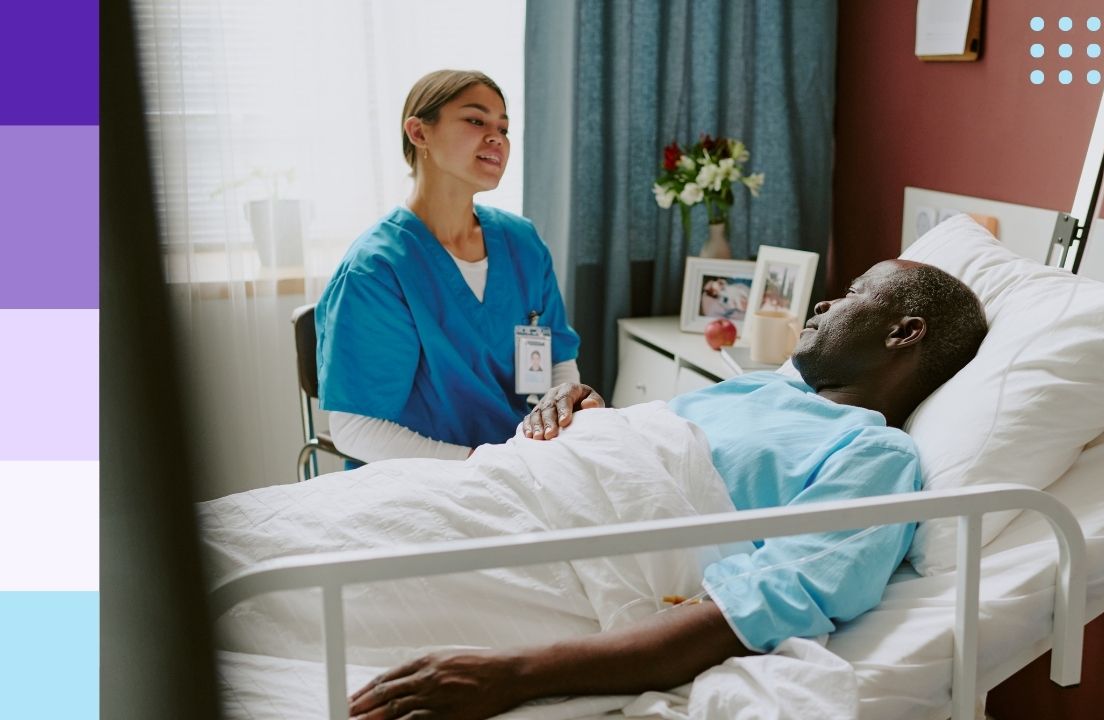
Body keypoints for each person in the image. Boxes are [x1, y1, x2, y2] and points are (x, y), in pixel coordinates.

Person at [347, 259, 988, 720]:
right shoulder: (761, 387)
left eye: (851, 294)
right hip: (510, 485)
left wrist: (513, 674)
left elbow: (752, 611)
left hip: (557, 552)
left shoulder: (876, 455)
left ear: (903, 333)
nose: (823, 304)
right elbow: (656, 455)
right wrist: (594, 415)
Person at [314, 70, 580, 464]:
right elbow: (357, 429)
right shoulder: (377, 270)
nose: (497, 138)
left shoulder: (522, 243)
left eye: (504, 128)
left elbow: (556, 362)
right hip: (424, 480)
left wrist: (557, 415)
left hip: (527, 464)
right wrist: (479, 464)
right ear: (419, 133)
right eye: (476, 120)